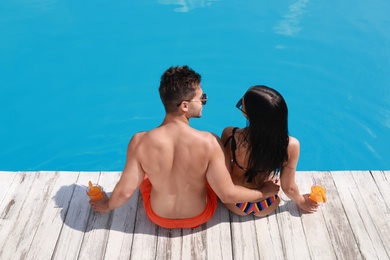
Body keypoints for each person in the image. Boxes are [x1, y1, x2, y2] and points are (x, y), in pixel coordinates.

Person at [90, 66, 279, 229]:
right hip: (200, 215)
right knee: (208, 172)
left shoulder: (140, 141)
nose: (204, 101)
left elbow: (124, 192)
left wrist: (105, 205)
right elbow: (227, 194)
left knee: (147, 175)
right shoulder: (209, 142)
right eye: (202, 98)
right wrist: (264, 192)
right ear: (185, 106)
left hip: (157, 216)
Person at [221, 85, 319, 217]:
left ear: (249, 116)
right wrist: (301, 201)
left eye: (241, 105)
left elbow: (223, 175)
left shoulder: (231, 135)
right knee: (275, 180)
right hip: (267, 203)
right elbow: (288, 187)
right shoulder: (291, 146)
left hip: (236, 201)